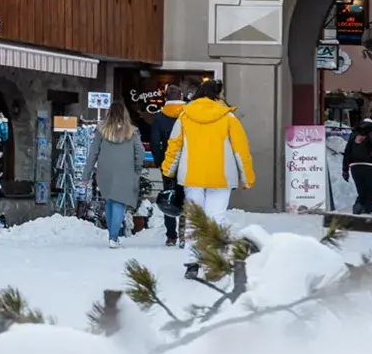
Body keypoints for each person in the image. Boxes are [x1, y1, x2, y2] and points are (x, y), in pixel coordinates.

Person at [162, 79, 254, 219]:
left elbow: (174, 146)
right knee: (215, 220)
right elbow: (241, 150)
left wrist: (168, 171)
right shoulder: (229, 118)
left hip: (191, 175)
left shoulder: (185, 116)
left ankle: (192, 242)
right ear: (218, 95)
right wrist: (247, 178)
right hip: (221, 176)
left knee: (194, 221)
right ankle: (212, 241)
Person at [81, 99, 144, 248]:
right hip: (125, 171)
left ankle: (112, 235)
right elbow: (140, 152)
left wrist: (86, 175)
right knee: (119, 203)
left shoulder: (101, 131)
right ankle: (114, 237)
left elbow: (93, 153)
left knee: (109, 201)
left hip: (105, 171)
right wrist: (137, 170)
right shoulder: (132, 132)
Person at [150, 85, 186, 246]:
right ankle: (185, 233)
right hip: (187, 162)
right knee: (188, 197)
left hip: (168, 162)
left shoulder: (159, 117)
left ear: (166, 98)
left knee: (168, 197)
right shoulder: (188, 114)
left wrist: (159, 162)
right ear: (182, 96)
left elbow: (154, 142)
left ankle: (171, 235)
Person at [343, 118, 372, 215]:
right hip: (371, 168)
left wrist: (345, 169)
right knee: (370, 197)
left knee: (362, 194)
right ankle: (364, 218)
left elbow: (347, 152)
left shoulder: (354, 134)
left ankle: (357, 209)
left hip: (355, 168)